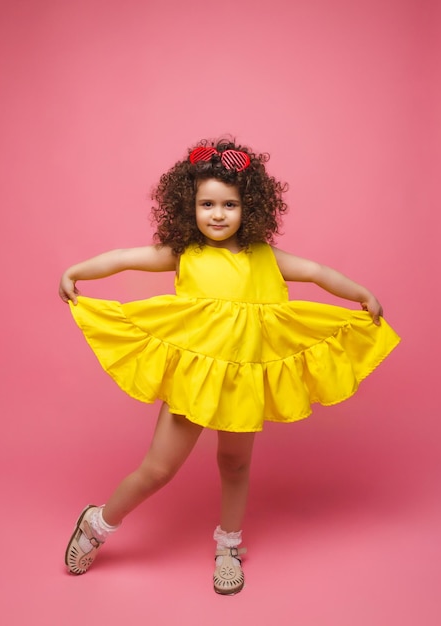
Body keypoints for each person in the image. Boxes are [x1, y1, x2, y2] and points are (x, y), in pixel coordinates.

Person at [59, 139, 400, 595]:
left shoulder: (265, 258)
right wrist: (77, 270)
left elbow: (318, 271)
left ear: (250, 207)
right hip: (196, 381)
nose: (217, 214)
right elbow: (124, 258)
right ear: (189, 206)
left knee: (235, 466)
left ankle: (228, 546)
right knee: (158, 470)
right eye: (206, 204)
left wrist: (361, 294)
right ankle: (98, 523)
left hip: (243, 380)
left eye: (229, 205)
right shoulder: (185, 253)